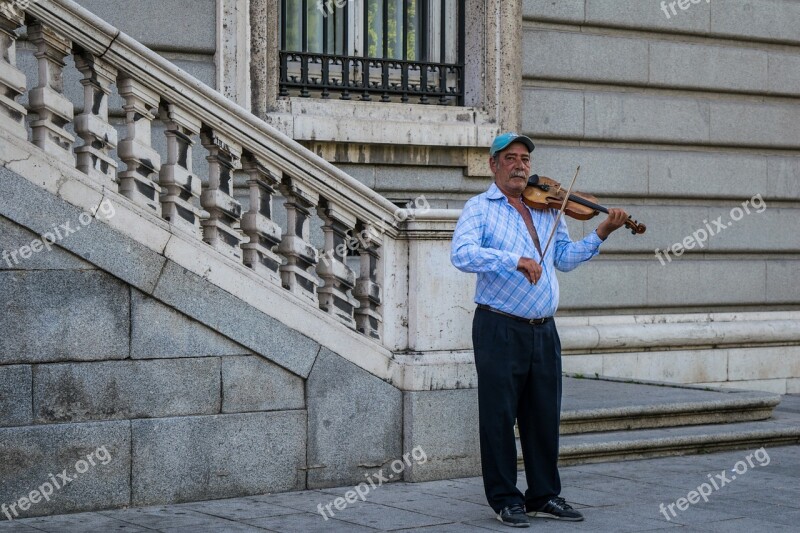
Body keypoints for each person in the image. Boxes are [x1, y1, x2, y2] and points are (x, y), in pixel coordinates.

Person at [450, 132, 628, 528]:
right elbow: (461, 254)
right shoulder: (479, 208)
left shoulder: (547, 209)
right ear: (493, 165)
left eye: (525, 159)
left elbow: (563, 259)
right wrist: (514, 259)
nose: (520, 165)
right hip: (499, 326)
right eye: (510, 158)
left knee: (544, 415)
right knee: (499, 416)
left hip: (543, 330)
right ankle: (504, 499)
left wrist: (601, 234)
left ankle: (543, 495)